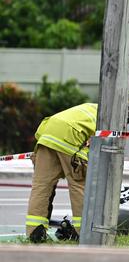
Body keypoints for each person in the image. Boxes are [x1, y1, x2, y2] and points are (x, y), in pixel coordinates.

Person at [25, 103, 97, 243]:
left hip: (46, 135)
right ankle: (83, 232)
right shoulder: (109, 116)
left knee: (41, 186)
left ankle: (35, 232)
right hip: (69, 135)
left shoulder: (89, 107)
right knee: (80, 184)